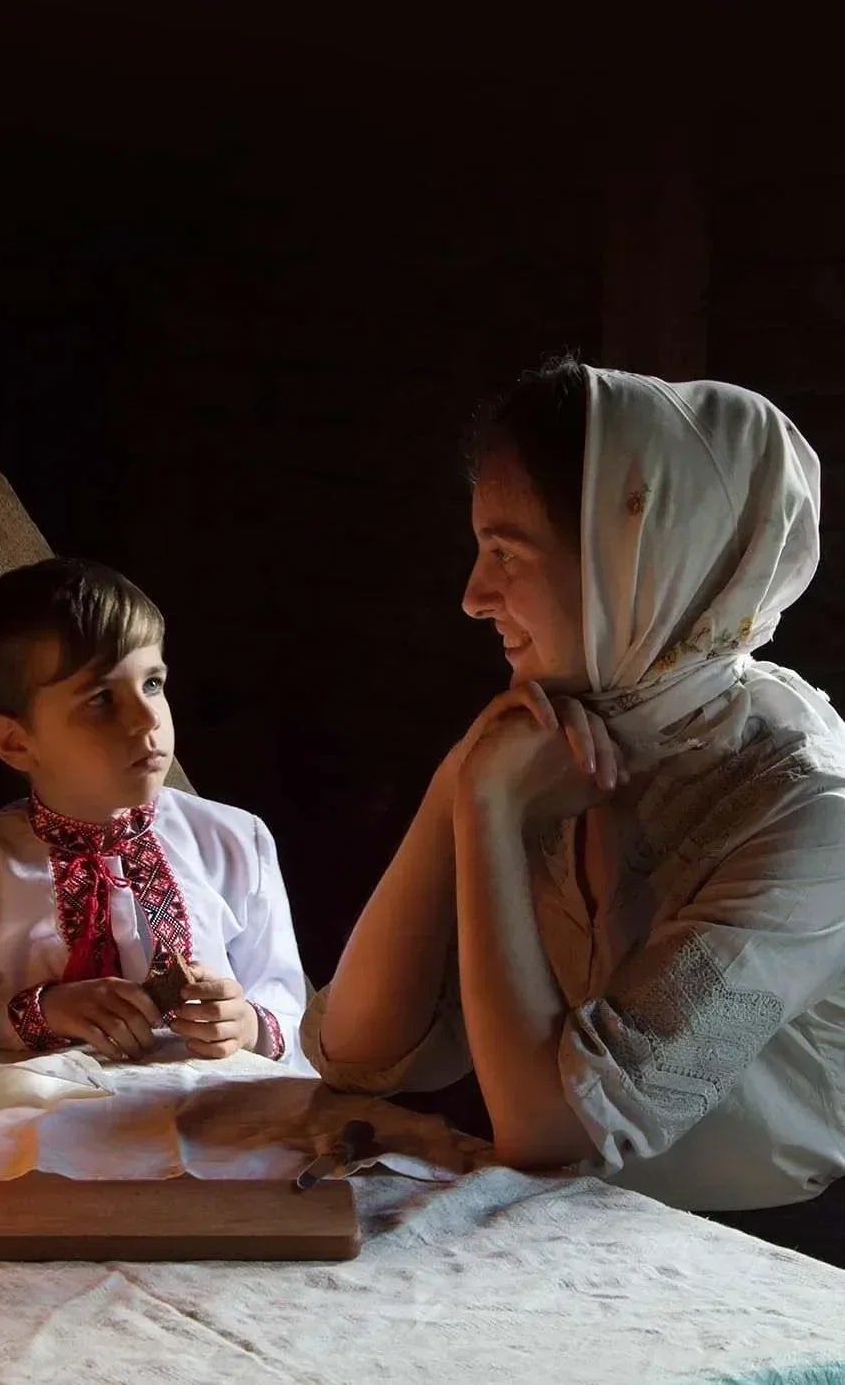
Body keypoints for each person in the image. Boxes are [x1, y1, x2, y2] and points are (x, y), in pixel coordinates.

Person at [306, 357, 845, 1259]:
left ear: (635, 561)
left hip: (768, 1265)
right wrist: (460, 778)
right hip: (565, 1229)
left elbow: (551, 1131)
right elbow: (358, 1050)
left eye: (508, 553)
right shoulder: (557, 742)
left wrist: (482, 810)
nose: (474, 597)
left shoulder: (807, 811)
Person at [0, 557, 311, 1067]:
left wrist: (246, 1023)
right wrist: (39, 1013)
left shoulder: (236, 841)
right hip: (25, 1133)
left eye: (152, 684)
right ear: (15, 741)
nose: (146, 720)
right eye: (100, 700)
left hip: (213, 1129)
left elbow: (292, 1016)